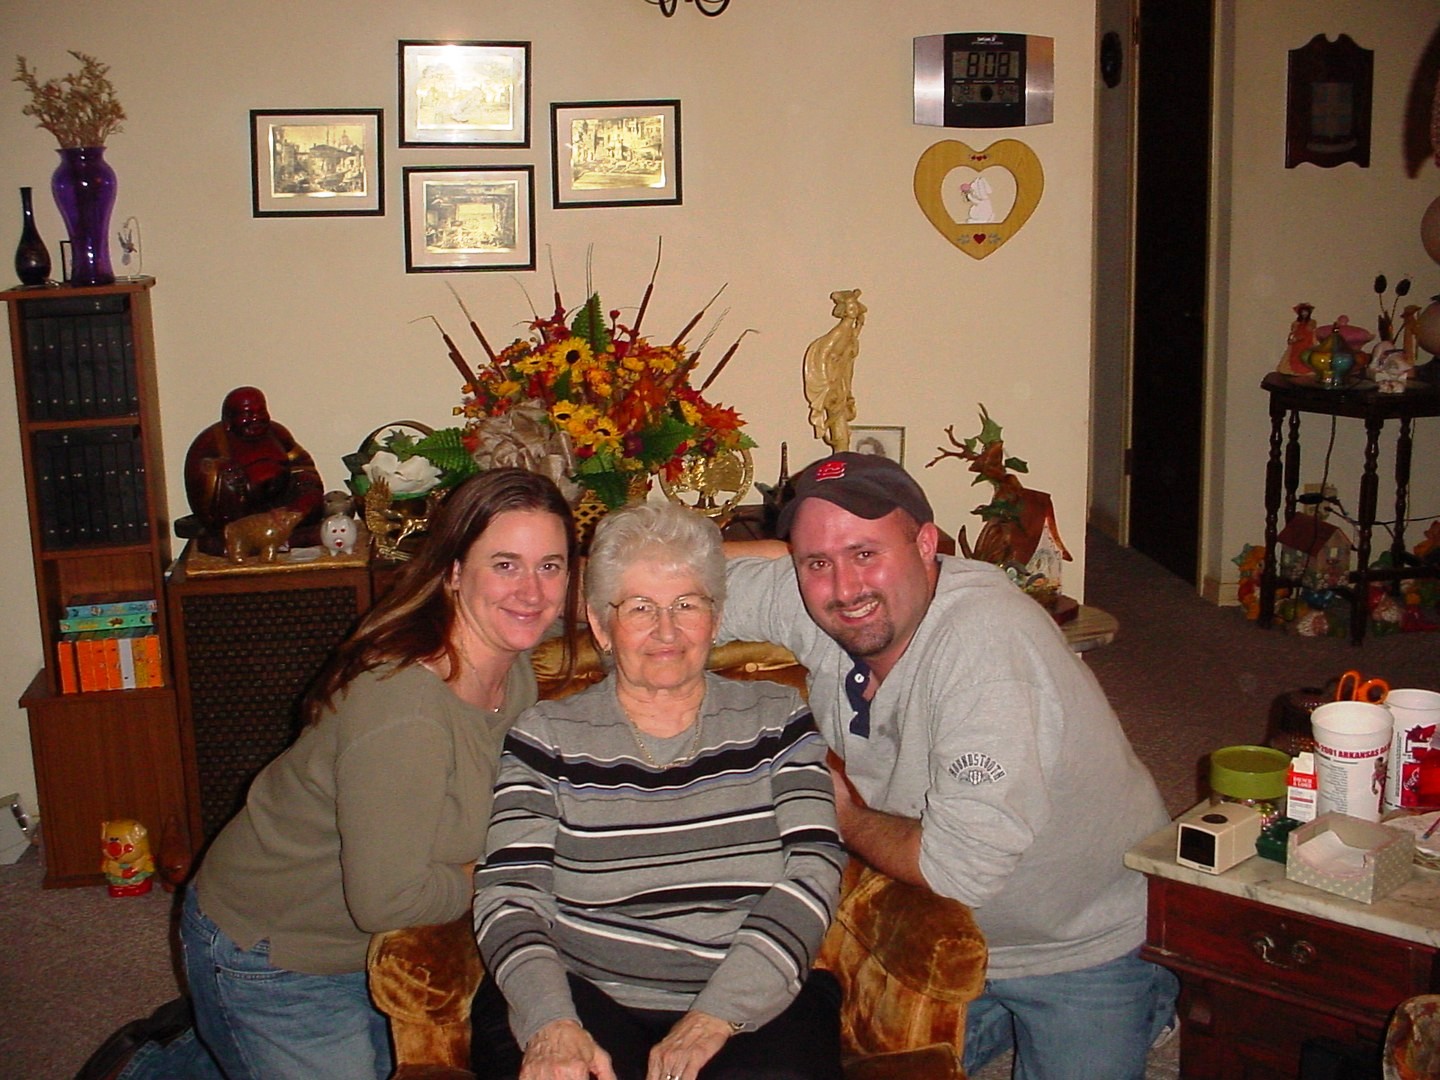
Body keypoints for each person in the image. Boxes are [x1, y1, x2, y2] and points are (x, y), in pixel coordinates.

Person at [92, 469, 579, 1080]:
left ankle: (213, 1040)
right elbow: (387, 901)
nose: (532, 592)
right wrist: (497, 870)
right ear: (454, 571)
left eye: (550, 566)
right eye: (505, 565)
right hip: (279, 952)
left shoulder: (512, 668)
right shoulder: (406, 712)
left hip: (380, 952)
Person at [719, 452, 1176, 1080]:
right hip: (937, 932)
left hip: (1079, 943)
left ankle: (1154, 995)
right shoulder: (819, 599)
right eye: (816, 561)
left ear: (926, 545)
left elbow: (957, 870)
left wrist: (841, 814)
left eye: (865, 553)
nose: (845, 589)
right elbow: (675, 591)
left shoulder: (986, 654)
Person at [471, 501, 846, 1080]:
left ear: (715, 618)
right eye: (640, 607)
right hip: (586, 992)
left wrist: (717, 1015)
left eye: (687, 605)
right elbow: (511, 894)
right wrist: (551, 1023)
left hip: (751, 996)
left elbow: (815, 869)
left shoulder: (776, 718)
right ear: (601, 625)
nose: (666, 630)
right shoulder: (546, 735)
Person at [181, 385, 326, 552]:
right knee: (227, 479)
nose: (256, 418)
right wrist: (219, 468)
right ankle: (255, 541)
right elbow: (199, 479)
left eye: (261, 411)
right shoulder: (211, 441)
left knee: (311, 494)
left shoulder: (278, 432)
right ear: (228, 419)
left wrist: (299, 505)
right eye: (247, 414)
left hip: (282, 510)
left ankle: (278, 537)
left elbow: (303, 465)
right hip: (241, 517)